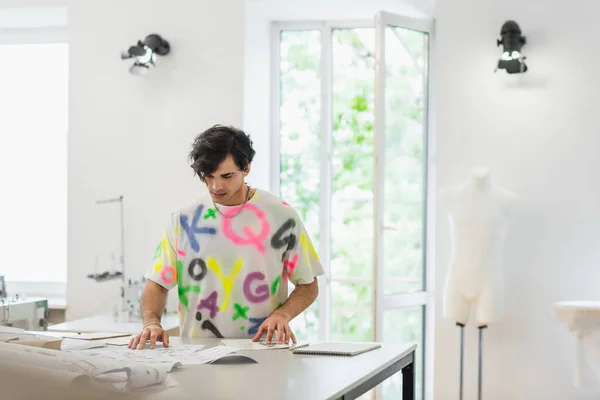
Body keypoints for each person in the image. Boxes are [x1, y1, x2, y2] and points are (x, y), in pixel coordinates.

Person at [128, 125, 323, 350]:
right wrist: (151, 322)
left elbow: (308, 285)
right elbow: (157, 283)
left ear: (246, 167)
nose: (215, 186)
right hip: (197, 355)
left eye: (226, 176)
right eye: (208, 177)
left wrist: (283, 314)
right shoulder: (183, 220)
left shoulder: (281, 215)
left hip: (264, 351)